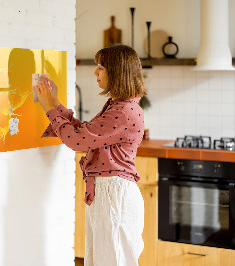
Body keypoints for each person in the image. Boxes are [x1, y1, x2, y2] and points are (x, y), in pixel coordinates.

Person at [34, 44, 146, 266]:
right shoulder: (119, 106)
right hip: (109, 193)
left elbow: (77, 141)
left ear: (117, 72)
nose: (95, 72)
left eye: (101, 67)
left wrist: (49, 107)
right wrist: (55, 103)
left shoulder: (123, 111)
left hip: (114, 195)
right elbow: (85, 133)